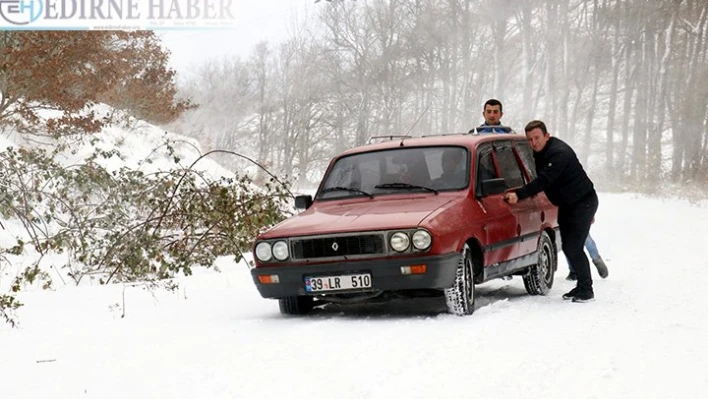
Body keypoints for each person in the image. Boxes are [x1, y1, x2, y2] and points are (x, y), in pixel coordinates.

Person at [504, 120, 599, 303]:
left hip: (582, 203)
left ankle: (587, 290)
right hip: (568, 204)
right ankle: (581, 286)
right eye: (530, 139)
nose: (533, 143)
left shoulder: (558, 154)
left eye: (537, 138)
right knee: (569, 246)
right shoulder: (541, 151)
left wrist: (519, 194)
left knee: (573, 247)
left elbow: (543, 181)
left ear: (547, 136)